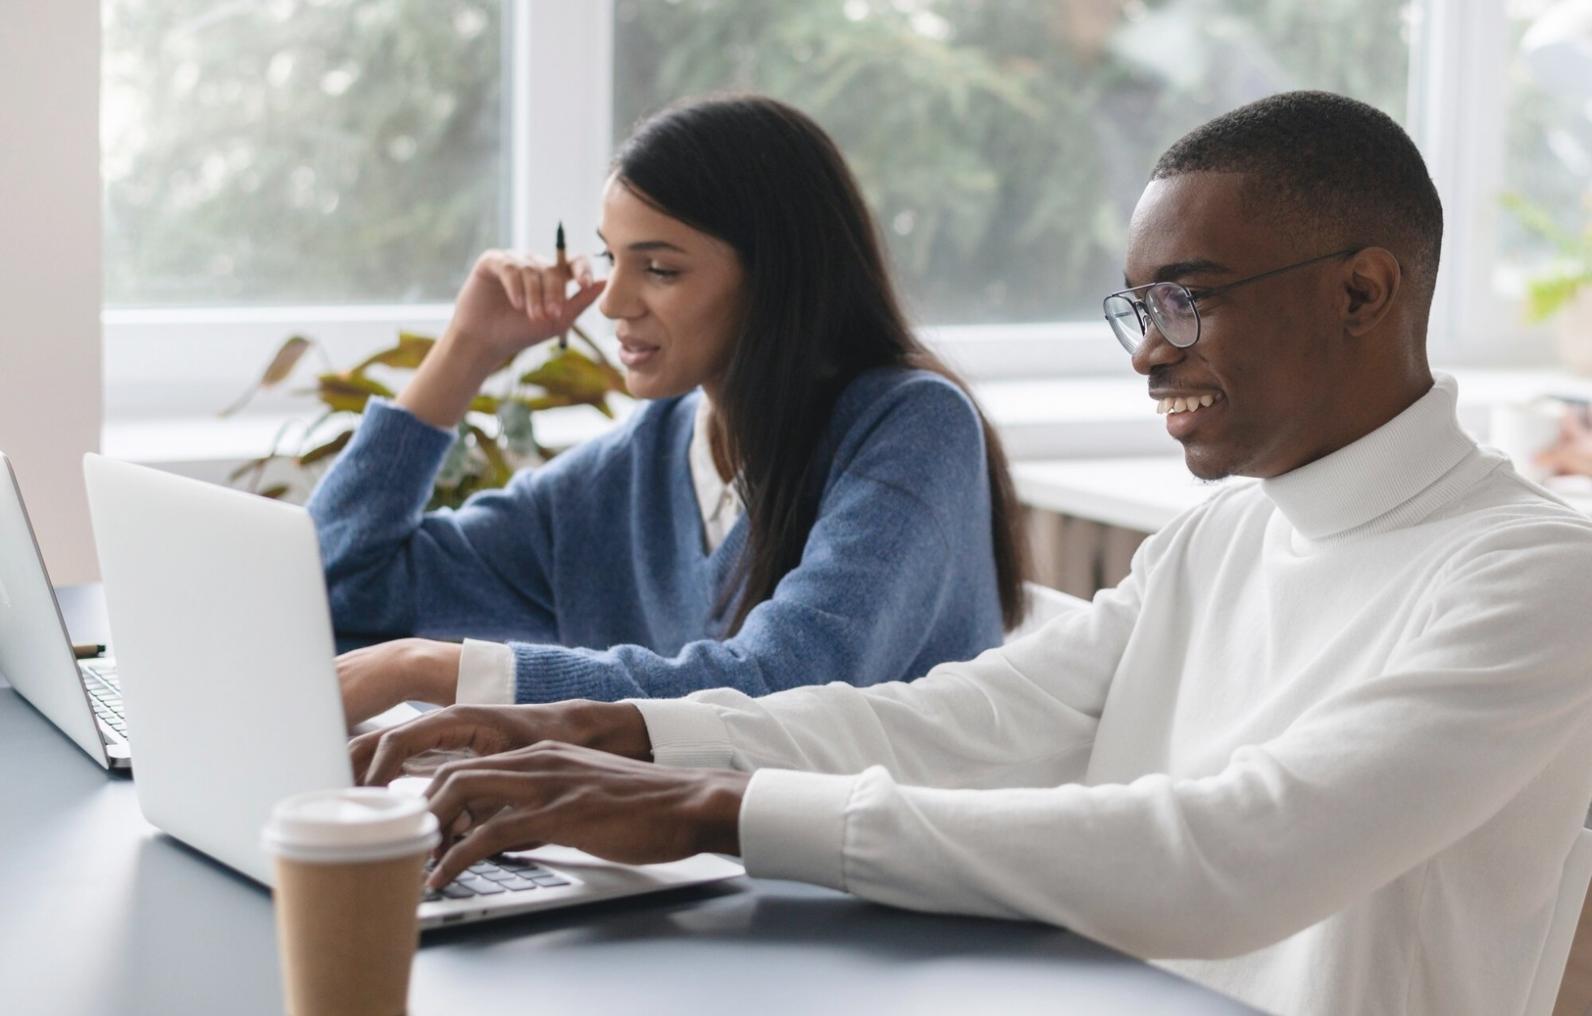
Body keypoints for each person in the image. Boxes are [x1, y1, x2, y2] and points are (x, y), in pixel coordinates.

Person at [348, 91, 1592, 1016]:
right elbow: (955, 720)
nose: (1145, 351)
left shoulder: (1532, 575)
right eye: (1133, 306)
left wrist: (710, 802)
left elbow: (1230, 855)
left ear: (1363, 293)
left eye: (1183, 297)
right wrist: (617, 735)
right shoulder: (1223, 533)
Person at [306, 95, 1027, 725]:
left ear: (775, 278)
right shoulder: (635, 465)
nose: (614, 303)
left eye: (659, 268)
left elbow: (776, 691)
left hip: (875, 870)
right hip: (689, 862)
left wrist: (430, 670)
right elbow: (336, 591)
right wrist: (465, 350)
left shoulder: (911, 428)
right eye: (609, 259)